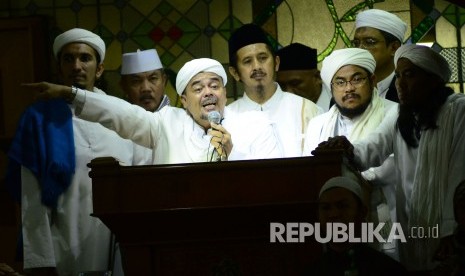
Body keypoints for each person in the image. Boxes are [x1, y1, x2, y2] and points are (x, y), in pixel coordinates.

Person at [312, 44, 465, 272]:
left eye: (410, 75)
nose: (400, 84)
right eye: (398, 76)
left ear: (433, 79)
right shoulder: (401, 116)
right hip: (412, 218)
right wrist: (348, 148)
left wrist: (450, 228)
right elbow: (373, 146)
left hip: (451, 222)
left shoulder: (457, 110)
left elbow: (459, 171)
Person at [7, 28, 137, 275]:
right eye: (69, 59)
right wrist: (41, 260)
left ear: (99, 69)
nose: (77, 66)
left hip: (116, 241)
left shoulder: (121, 113)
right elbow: (31, 198)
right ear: (59, 67)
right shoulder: (39, 119)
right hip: (63, 241)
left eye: (85, 58)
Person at [22, 58, 283, 164]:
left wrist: (230, 154)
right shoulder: (166, 123)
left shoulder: (255, 123)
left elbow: (271, 180)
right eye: (198, 88)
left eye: (215, 85)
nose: (208, 93)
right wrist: (72, 93)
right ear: (182, 99)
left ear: (225, 93)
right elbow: (122, 114)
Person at [227, 23, 322, 157]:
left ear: (276, 63)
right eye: (247, 61)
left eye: (263, 58)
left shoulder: (308, 111)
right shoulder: (227, 118)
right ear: (235, 73)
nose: (257, 66)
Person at [307, 176, 407, 275]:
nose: (334, 214)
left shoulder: (389, 270)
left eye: (342, 206)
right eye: (326, 208)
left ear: (362, 212)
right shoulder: (313, 271)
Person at [119, 48, 171, 165]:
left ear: (164, 81)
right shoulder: (116, 127)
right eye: (136, 81)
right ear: (123, 86)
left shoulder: (182, 121)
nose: (146, 88)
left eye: (153, 79)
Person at [353, 8, 407, 102]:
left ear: (394, 48)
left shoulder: (409, 91)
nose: (360, 49)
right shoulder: (347, 91)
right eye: (356, 43)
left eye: (369, 42)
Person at [276, 43, 331, 111]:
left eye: (295, 83)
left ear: (317, 77)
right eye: (281, 85)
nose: (288, 92)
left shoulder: (340, 105)